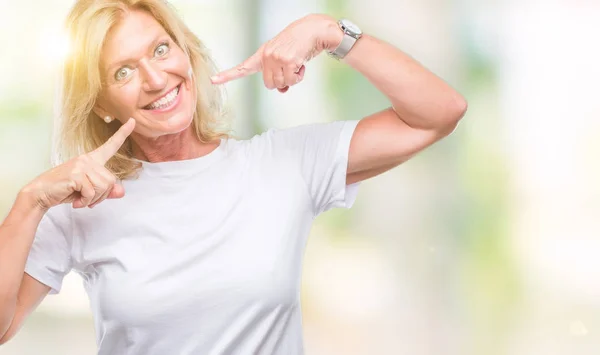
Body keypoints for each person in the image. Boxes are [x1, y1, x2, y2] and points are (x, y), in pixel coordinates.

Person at [0, 0, 467, 354]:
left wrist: (331, 34)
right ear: (100, 104)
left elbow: (438, 112)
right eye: (123, 71)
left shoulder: (283, 165)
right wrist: (30, 202)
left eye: (161, 50)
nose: (156, 78)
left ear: (186, 54)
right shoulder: (81, 204)